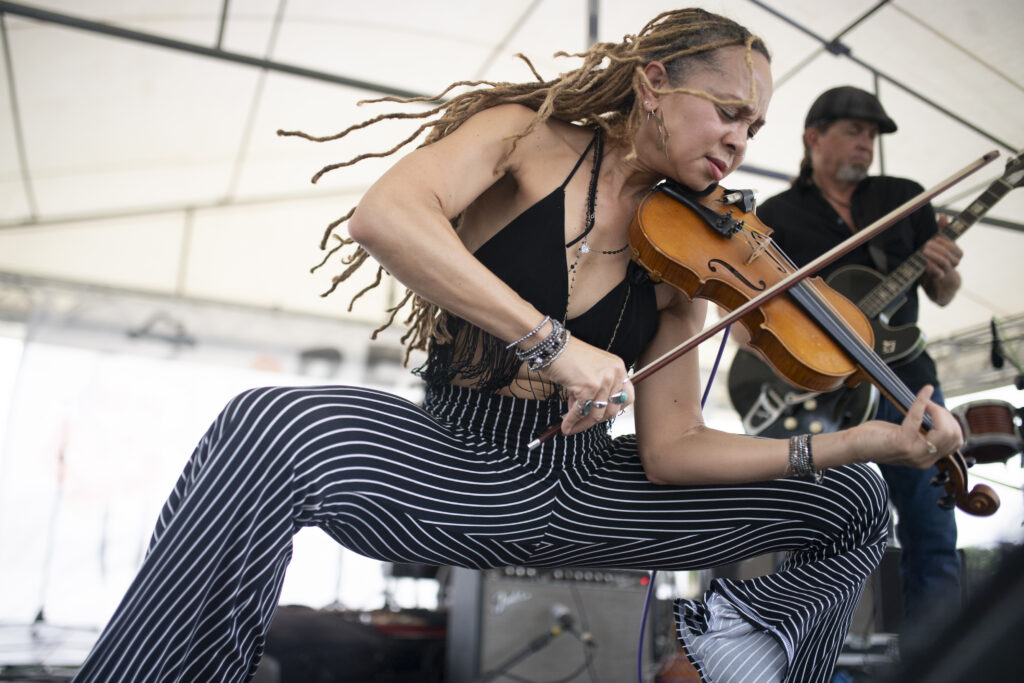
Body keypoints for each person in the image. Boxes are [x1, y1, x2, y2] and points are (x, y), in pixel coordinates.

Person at [72, 11, 964, 683]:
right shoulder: (525, 135)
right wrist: (550, 343)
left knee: (849, 500)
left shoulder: (695, 249)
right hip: (454, 461)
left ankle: (717, 666)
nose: (738, 139)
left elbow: (672, 449)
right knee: (270, 427)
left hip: (585, 488)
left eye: (755, 128)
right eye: (727, 111)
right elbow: (386, 216)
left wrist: (867, 443)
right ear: (655, 82)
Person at [755, 86, 965, 638]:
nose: (865, 145)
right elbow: (758, 320)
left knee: (931, 531)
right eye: (853, 132)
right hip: (817, 391)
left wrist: (943, 268)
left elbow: (942, 295)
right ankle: (798, 655)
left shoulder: (905, 198)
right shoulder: (776, 216)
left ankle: (938, 665)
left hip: (907, 383)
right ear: (813, 138)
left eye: (871, 136)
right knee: (810, 530)